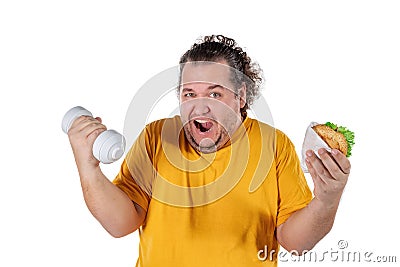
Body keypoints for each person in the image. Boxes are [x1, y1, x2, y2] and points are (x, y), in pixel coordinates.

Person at [67, 35, 351, 266]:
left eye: (215, 94)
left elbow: (295, 243)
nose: (200, 107)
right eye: (189, 93)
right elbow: (120, 224)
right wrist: (88, 167)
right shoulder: (157, 137)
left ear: (240, 96)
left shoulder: (274, 146)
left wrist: (326, 200)